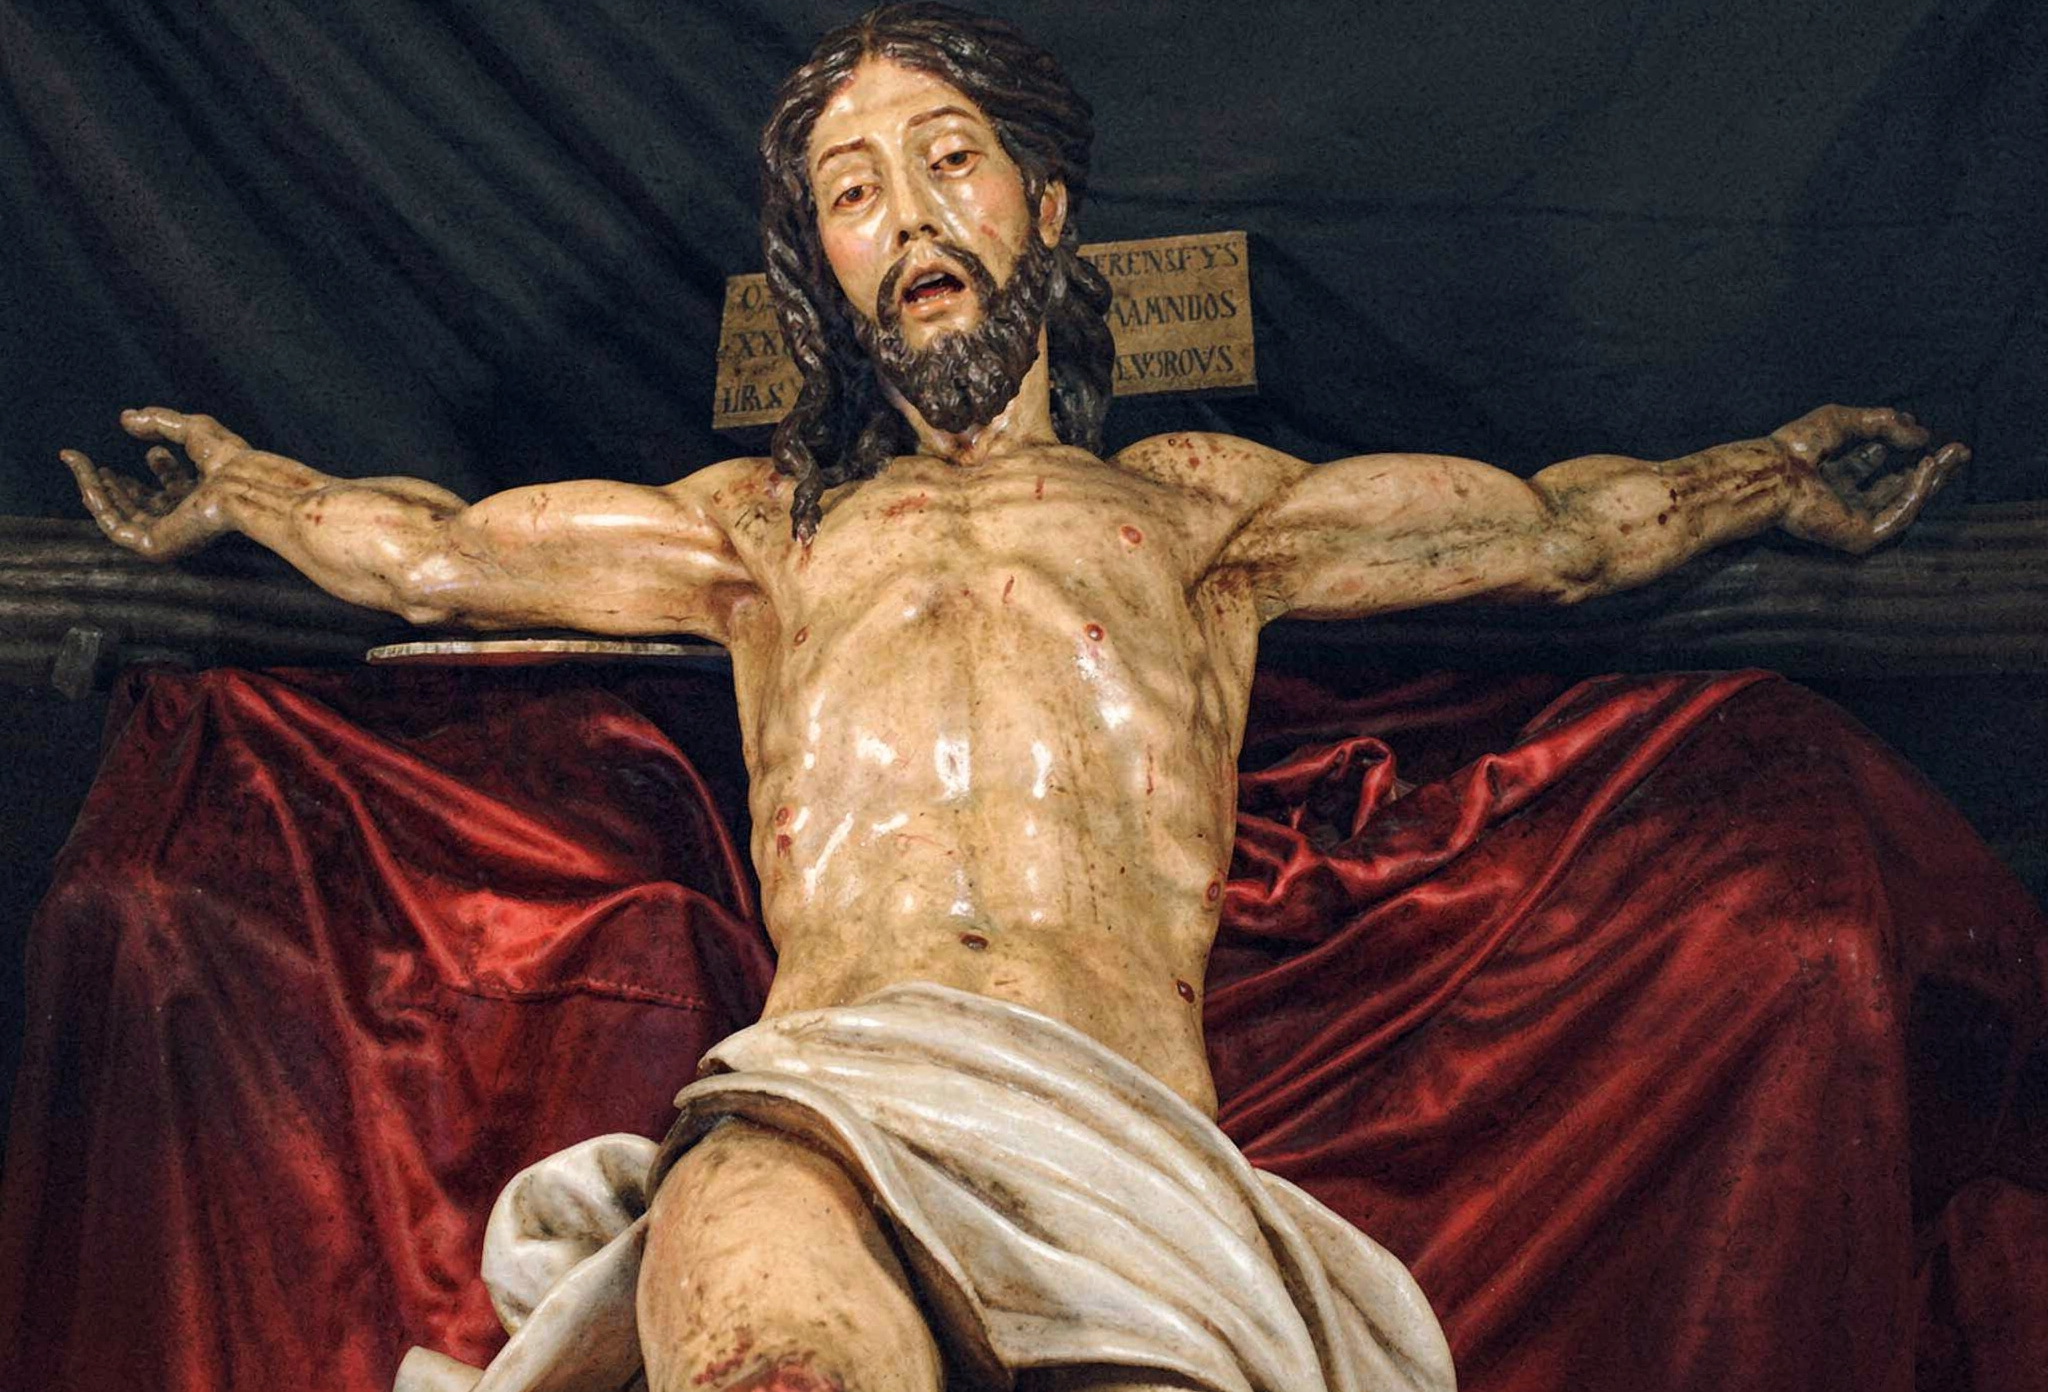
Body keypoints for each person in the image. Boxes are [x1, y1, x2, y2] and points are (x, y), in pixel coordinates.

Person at [59, 6, 1966, 1390]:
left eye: (948, 160)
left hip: (1112, 1142)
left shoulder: (1198, 515)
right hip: (821, 1106)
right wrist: (243, 489)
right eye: (853, 191)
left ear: (1047, 210)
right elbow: (434, 557)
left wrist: (1775, 476)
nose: (908, 217)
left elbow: (1552, 533)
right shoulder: (767, 536)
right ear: (825, 268)